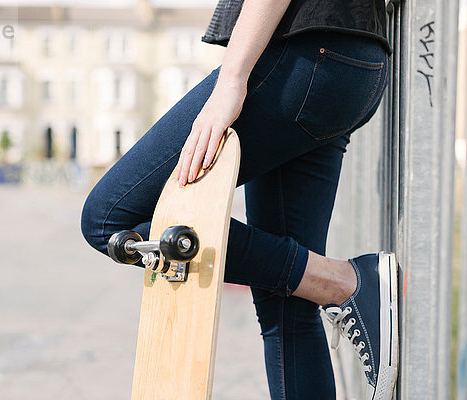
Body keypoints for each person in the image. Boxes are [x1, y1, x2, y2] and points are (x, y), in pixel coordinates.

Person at [81, 0, 398, 398]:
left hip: (301, 60)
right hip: (347, 64)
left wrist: (232, 79)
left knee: (108, 218)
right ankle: (332, 281)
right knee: (286, 302)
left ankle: (342, 281)